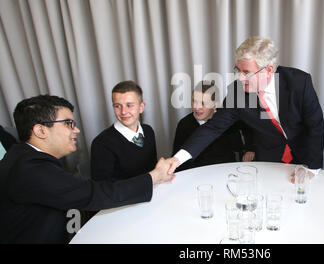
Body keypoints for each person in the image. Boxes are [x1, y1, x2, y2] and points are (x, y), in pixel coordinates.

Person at [0, 95, 174, 243]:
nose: (76, 130)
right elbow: (93, 193)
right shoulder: (30, 169)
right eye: (68, 123)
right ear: (41, 130)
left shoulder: (25, 156)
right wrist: (155, 176)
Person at [167, 37, 324, 175]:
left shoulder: (299, 82)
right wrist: (177, 159)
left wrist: (312, 168)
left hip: (305, 157)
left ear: (268, 70)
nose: (240, 78)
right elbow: (213, 128)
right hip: (269, 160)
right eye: (238, 70)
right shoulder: (237, 92)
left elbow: (315, 126)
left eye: (246, 72)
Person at [172, 80, 254, 171]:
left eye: (203, 103)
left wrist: (250, 149)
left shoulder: (228, 118)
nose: (197, 107)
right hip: (197, 173)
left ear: (215, 105)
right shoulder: (184, 124)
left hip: (226, 170)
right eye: (194, 101)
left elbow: (246, 133)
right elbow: (177, 157)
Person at [91, 81, 157, 181]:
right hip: (126, 196)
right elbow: (104, 188)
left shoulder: (148, 131)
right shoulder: (101, 144)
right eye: (117, 106)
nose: (123, 112)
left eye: (129, 105)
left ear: (141, 107)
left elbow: (152, 169)